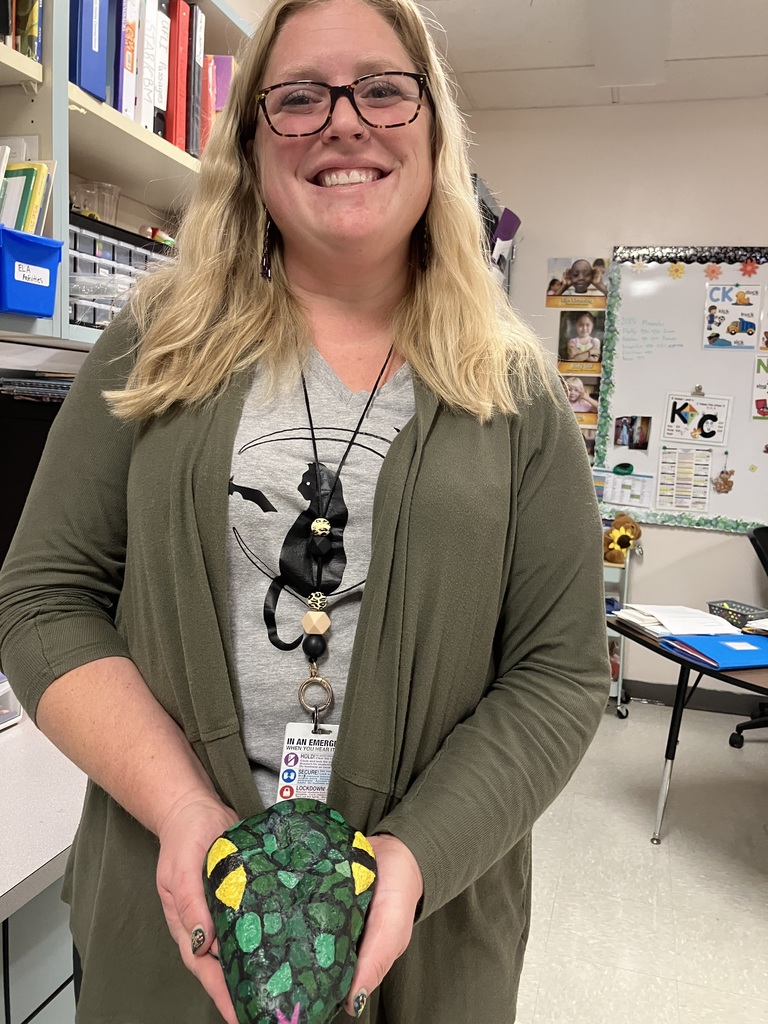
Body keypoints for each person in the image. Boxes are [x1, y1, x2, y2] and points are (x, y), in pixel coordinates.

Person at [0, 0, 610, 1021]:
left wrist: (416, 856)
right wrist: (186, 810)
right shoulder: (155, 338)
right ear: (250, 142)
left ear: (431, 126)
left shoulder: (516, 389)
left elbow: (559, 670)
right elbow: (43, 597)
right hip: (169, 914)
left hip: (433, 933)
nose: (344, 121)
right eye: (298, 97)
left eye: (382, 88)